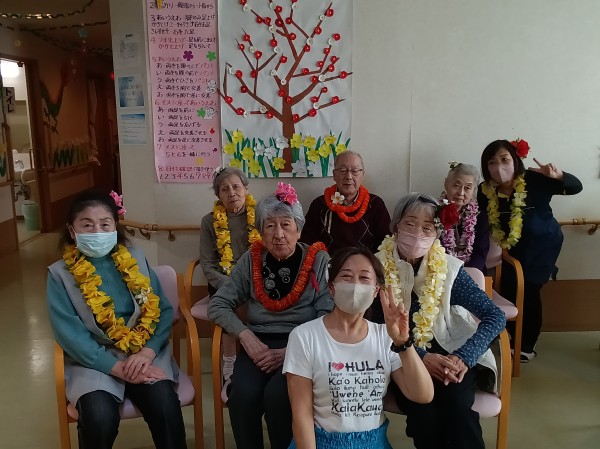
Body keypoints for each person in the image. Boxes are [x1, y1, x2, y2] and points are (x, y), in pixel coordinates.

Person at [47, 190, 186, 449]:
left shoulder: (135, 258)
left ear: (115, 226)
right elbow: (70, 334)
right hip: (92, 360)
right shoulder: (60, 274)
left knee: (165, 408)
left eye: (105, 224)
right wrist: (118, 368)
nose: (97, 231)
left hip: (143, 353)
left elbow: (163, 310)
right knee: (98, 418)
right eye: (87, 225)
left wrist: (147, 352)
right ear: (71, 230)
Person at [208, 182, 334, 449]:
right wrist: (246, 337)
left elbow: (328, 314)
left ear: (299, 229)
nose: (278, 234)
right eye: (269, 226)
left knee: (279, 396)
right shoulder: (250, 259)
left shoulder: (319, 260)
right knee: (241, 394)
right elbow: (218, 304)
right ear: (261, 232)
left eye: (286, 225)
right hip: (258, 344)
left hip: (303, 345)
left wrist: (292, 351)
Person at [375, 193, 506, 449]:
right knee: (424, 410)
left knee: (457, 404)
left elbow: (495, 316)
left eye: (427, 227)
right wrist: (422, 357)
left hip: (451, 351)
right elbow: (374, 328)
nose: (417, 234)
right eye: (410, 223)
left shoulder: (448, 269)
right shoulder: (377, 268)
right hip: (400, 355)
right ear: (396, 226)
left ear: (437, 234)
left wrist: (463, 357)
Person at [283, 247, 434, 449]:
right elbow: (301, 415)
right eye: (346, 276)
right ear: (331, 287)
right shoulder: (304, 336)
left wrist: (402, 343)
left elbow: (422, 394)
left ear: (376, 291)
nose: (355, 285)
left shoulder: (385, 337)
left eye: (364, 278)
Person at [478, 139, 582, 362]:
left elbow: (576, 187)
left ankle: (526, 345)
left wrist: (558, 176)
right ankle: (511, 337)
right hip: (509, 249)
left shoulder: (534, 180)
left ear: (515, 160)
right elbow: (476, 213)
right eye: (492, 162)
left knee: (530, 291)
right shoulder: (485, 190)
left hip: (542, 247)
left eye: (504, 159)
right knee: (509, 288)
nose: (499, 166)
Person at [199, 167, 261, 392]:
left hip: (256, 278)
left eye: (236, 187)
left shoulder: (261, 215)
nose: (231, 193)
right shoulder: (209, 221)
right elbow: (207, 265)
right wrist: (232, 286)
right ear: (218, 195)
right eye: (224, 189)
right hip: (223, 281)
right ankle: (230, 364)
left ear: (246, 189)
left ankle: (257, 357)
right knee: (229, 303)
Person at [301, 150, 390, 254]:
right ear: (334, 175)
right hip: (329, 262)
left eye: (355, 171)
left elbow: (386, 243)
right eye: (343, 170)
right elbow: (306, 242)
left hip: (364, 262)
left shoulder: (375, 204)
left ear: (362, 175)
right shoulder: (319, 204)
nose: (349, 177)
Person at [439, 162, 489, 273]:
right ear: (446, 184)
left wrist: (465, 274)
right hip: (440, 272)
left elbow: (480, 252)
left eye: (467, 188)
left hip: (472, 272)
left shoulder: (480, 217)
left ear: (473, 191)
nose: (461, 192)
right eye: (456, 186)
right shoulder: (433, 211)